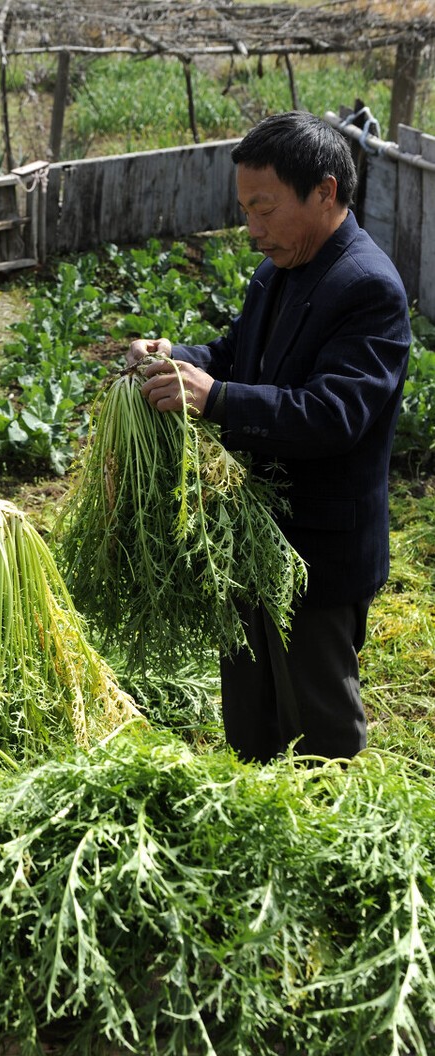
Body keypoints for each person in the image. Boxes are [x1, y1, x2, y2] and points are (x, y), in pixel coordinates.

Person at [129, 110, 411, 763]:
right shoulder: (278, 267)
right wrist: (177, 355)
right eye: (244, 210)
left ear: (325, 193)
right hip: (252, 533)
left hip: (317, 547)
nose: (252, 230)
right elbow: (234, 354)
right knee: (249, 706)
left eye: (264, 209)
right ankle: (257, 807)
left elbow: (334, 413)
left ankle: (329, 841)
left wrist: (218, 400)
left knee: (319, 722)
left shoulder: (367, 287)